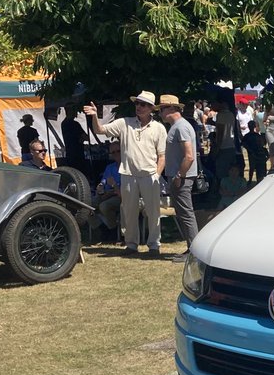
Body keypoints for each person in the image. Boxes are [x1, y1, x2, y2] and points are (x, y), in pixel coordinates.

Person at [83, 90, 167, 258]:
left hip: (150, 175)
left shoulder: (159, 128)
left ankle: (154, 245)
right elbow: (99, 130)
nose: (139, 107)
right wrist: (94, 116)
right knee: (128, 211)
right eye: (137, 103)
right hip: (128, 174)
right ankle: (131, 244)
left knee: (153, 212)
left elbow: (162, 156)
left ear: (151, 108)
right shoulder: (124, 123)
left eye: (143, 104)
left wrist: (156, 176)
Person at [160, 94, 200, 262]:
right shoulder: (177, 127)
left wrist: (179, 175)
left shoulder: (181, 127)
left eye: (162, 109)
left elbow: (189, 156)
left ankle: (195, 252)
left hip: (182, 178)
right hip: (179, 177)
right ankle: (191, 249)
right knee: (183, 213)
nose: (159, 113)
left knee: (186, 214)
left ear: (172, 108)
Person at [93, 142, 122, 242]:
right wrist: (100, 186)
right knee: (87, 207)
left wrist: (112, 188)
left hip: (120, 196)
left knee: (104, 206)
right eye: (113, 152)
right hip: (107, 193)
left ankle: (113, 231)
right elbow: (104, 181)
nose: (116, 154)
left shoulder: (128, 167)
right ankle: (103, 228)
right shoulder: (110, 167)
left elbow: (123, 189)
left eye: (118, 151)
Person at [244, 119, 269, 183]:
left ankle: (251, 180)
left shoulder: (249, 136)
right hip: (253, 153)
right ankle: (250, 180)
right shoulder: (254, 136)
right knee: (253, 167)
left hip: (256, 153)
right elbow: (244, 144)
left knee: (254, 168)